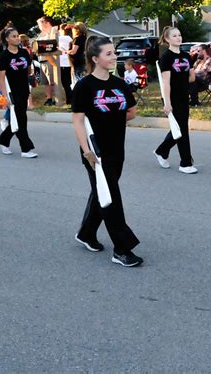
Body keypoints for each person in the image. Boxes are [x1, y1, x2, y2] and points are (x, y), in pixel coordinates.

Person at [72, 36, 143, 267]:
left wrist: (112, 118)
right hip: (95, 152)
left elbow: (131, 111)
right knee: (111, 197)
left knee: (102, 192)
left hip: (117, 148)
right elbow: (78, 121)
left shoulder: (120, 84)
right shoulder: (84, 86)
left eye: (115, 53)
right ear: (95, 58)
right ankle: (122, 249)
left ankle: (86, 233)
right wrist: (86, 151)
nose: (114, 57)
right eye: (109, 54)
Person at [153, 26, 198, 174]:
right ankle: (185, 163)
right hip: (171, 97)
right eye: (174, 36)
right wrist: (167, 102)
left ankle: (161, 151)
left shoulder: (186, 56)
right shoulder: (166, 58)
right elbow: (165, 82)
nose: (178, 37)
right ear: (167, 39)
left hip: (184, 96)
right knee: (182, 129)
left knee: (179, 128)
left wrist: (185, 77)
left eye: (179, 35)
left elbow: (192, 77)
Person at [0, 28, 38, 158]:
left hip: (24, 89)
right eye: (13, 36)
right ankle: (25, 149)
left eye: (17, 36)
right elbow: (2, 79)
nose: (17, 38)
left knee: (20, 118)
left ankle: (3, 140)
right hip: (12, 91)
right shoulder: (3, 57)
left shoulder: (24, 53)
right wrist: (5, 96)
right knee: (21, 119)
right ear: (7, 39)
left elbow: (29, 70)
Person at [36, 16, 59, 105]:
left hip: (50, 60)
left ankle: (56, 98)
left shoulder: (53, 32)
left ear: (45, 23)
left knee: (52, 81)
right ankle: (49, 98)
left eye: (40, 24)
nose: (39, 27)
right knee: (46, 82)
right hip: (42, 60)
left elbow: (52, 45)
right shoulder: (42, 34)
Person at [58, 24, 73, 105]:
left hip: (63, 63)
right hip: (70, 63)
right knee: (70, 83)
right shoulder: (71, 38)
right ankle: (70, 99)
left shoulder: (61, 38)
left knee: (66, 84)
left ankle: (70, 100)